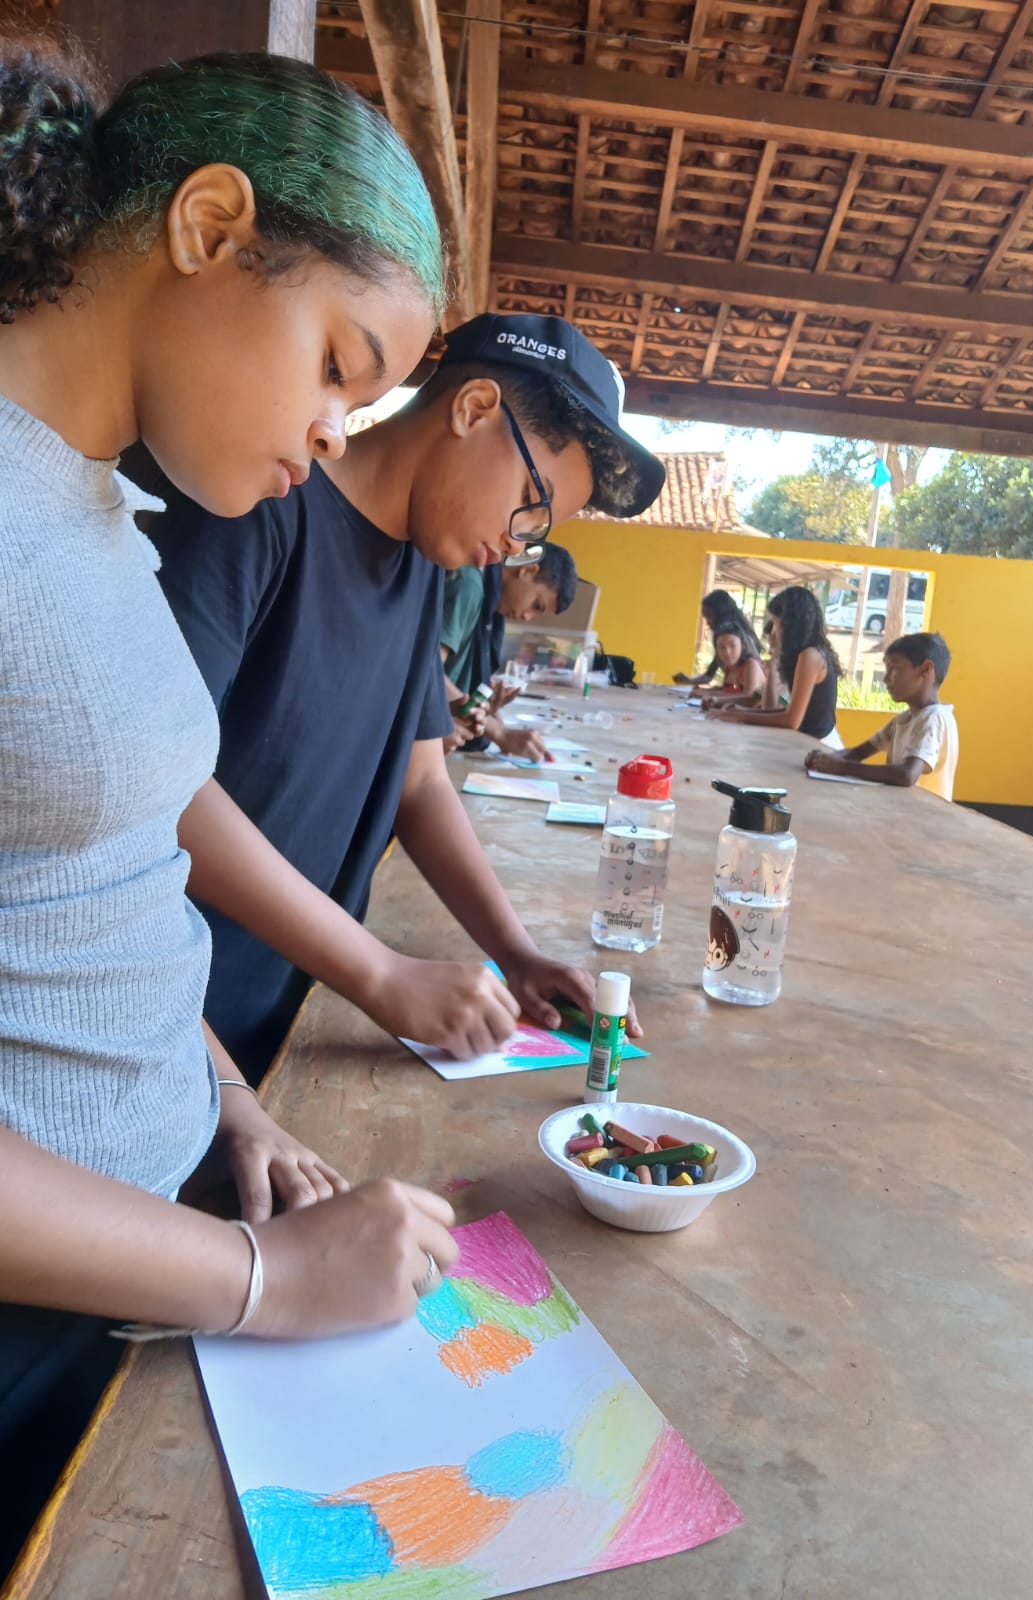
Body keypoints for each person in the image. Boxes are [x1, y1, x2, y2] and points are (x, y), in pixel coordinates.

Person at [0, 39, 463, 1568]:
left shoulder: (96, 510)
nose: (335, 433)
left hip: (140, 1280)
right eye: (338, 364)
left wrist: (223, 1101)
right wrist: (267, 1282)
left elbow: (101, 888)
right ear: (209, 227)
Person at [150, 313, 663, 1085]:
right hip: (170, 1020)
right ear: (474, 409)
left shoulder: (424, 566)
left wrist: (516, 952)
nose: (519, 543)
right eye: (531, 502)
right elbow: (159, 785)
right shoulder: (256, 510)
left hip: (284, 1016)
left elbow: (419, 784)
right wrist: (380, 972)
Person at [442, 542, 578, 760]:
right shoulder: (469, 587)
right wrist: (499, 733)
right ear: (527, 570)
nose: (527, 617)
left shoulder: (491, 605)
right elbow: (425, 671)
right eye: (536, 605)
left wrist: (490, 713)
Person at [806, 632, 958, 799]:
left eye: (894, 669)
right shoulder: (905, 719)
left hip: (924, 813)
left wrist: (842, 767)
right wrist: (824, 759)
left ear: (925, 669)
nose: (886, 678)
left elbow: (907, 775)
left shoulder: (933, 718)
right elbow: (857, 753)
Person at [709, 586, 840, 742]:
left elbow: (791, 721)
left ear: (789, 624)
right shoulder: (806, 653)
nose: (773, 632)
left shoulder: (810, 655)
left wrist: (740, 716)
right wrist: (740, 712)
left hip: (819, 744)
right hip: (805, 740)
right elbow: (787, 712)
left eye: (776, 623)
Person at [673, 589, 760, 686]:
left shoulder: (736, 637)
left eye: (709, 617)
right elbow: (709, 676)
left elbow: (747, 692)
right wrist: (689, 680)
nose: (707, 623)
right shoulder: (723, 637)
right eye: (722, 647)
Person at [697, 624, 767, 710]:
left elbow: (749, 700)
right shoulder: (729, 667)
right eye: (722, 647)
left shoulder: (751, 665)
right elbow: (726, 691)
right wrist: (703, 691)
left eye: (733, 645)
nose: (727, 651)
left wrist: (709, 696)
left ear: (743, 645)